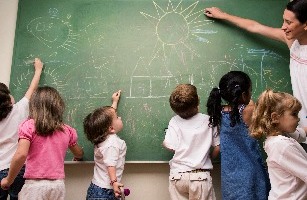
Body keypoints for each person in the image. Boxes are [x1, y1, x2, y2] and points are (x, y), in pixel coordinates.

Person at [204, 0, 307, 148]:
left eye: (289, 22)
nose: (283, 27)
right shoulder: (292, 41)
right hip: (297, 128)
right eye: (283, 20)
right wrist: (224, 15)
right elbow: (255, 27)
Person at [0, 86, 84, 200]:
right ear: (58, 106)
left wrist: (9, 180)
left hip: (34, 185)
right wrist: (78, 157)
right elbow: (78, 153)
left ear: (34, 106)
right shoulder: (67, 130)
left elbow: (21, 154)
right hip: (57, 186)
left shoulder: (28, 126)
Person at [206, 71, 270, 200]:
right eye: (250, 90)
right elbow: (251, 103)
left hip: (230, 176)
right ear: (244, 94)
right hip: (252, 171)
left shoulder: (218, 112)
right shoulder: (248, 110)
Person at [163, 84, 220, 200]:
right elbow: (218, 147)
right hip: (200, 177)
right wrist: (209, 157)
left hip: (178, 176)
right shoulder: (209, 120)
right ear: (197, 102)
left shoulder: (174, 121)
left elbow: (170, 145)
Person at [249, 89, 307, 200]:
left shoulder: (276, 138)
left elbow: (300, 133)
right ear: (275, 117)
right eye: (294, 114)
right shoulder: (283, 146)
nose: (298, 118)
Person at [0, 58, 43, 200]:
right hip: (17, 168)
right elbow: (32, 89)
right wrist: (38, 70)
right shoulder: (18, 110)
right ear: (7, 100)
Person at [83, 90, 126, 200]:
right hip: (105, 192)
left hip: (97, 188)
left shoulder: (103, 137)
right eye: (117, 117)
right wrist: (114, 182)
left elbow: (108, 117)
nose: (119, 117)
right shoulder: (112, 144)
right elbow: (110, 165)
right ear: (111, 129)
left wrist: (114, 102)